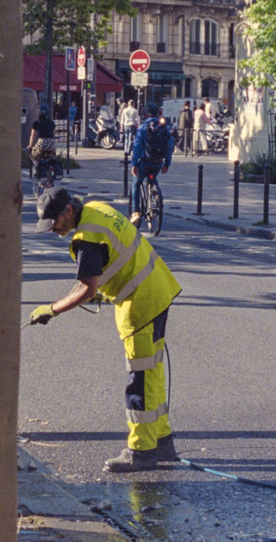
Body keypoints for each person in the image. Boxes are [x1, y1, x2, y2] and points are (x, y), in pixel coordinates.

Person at [29, 187, 183, 471]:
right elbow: (115, 255)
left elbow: (86, 289)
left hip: (141, 302)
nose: (52, 229)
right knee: (152, 372)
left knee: (140, 378)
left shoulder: (86, 239)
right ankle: (161, 441)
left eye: (54, 222)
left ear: (68, 211)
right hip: (158, 287)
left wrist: (51, 309)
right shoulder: (97, 208)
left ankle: (141, 450)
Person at [130, 103, 175, 225]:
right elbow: (169, 146)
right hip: (158, 163)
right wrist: (167, 164)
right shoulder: (164, 128)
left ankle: (135, 212)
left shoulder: (142, 128)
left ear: (146, 115)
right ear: (158, 113)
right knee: (152, 177)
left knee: (136, 184)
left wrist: (134, 164)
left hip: (145, 162)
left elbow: (137, 147)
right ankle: (157, 196)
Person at [30, 103, 58, 178]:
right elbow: (53, 133)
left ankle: (38, 169)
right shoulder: (52, 123)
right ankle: (50, 173)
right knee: (50, 158)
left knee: (33, 156)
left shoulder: (36, 122)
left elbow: (33, 135)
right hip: (51, 142)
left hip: (42, 142)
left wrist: (30, 145)